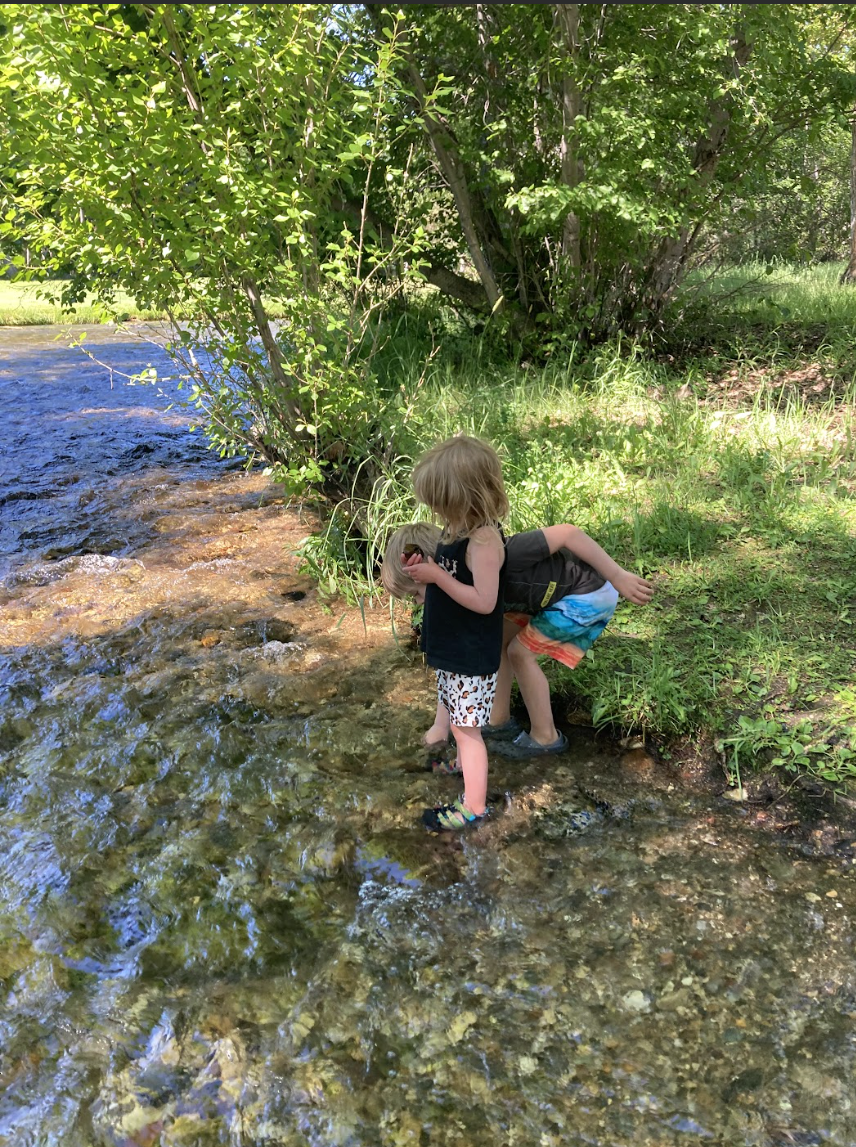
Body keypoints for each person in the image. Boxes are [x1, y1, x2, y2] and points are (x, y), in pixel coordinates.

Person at [381, 519, 654, 771]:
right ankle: (498, 721)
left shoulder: (496, 554)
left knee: (519, 653)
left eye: (417, 593)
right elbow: (455, 668)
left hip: (587, 593)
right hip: (547, 599)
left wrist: (618, 575)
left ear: (438, 568)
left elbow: (568, 533)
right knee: (496, 639)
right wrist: (440, 726)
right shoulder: (460, 588)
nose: (418, 604)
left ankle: (546, 737)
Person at [404, 435, 508, 832]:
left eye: (440, 503)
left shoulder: (483, 541)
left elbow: (484, 600)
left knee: (467, 730)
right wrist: (430, 567)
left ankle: (474, 807)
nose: (434, 511)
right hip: (454, 650)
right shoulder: (459, 528)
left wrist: (436, 578)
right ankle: (464, 767)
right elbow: (454, 576)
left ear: (466, 497)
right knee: (459, 719)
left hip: (470, 653)